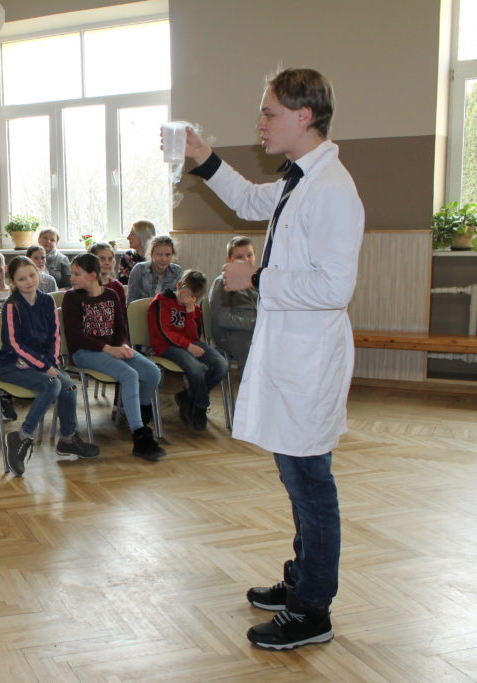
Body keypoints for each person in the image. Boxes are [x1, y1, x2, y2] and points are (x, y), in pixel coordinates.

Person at [184, 67, 364, 650]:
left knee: (311, 483)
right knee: (296, 477)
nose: (260, 123)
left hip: (311, 359)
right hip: (293, 354)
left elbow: (335, 287)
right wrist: (202, 156)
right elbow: (246, 197)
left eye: (269, 113)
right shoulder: (298, 179)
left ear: (303, 115)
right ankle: (302, 579)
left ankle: (313, 609)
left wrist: (258, 277)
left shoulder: (331, 188)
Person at [0, 256, 99, 475]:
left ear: (38, 274)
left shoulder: (47, 301)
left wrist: (51, 362)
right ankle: (22, 437)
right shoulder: (12, 306)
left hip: (43, 363)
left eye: (31, 275)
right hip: (13, 364)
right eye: (22, 279)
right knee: (52, 385)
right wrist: (45, 367)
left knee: (69, 387)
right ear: (13, 282)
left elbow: (55, 335)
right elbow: (15, 344)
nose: (29, 281)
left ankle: (67, 439)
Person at [62, 254, 164, 461]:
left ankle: (139, 414)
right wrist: (108, 348)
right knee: (129, 374)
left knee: (152, 372)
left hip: (112, 348)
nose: (71, 278)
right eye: (72, 273)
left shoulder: (111, 295)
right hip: (84, 353)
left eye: (76, 274)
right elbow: (76, 336)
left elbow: (120, 328)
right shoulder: (72, 298)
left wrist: (124, 345)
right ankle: (139, 435)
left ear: (93, 275)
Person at [148, 270, 229, 430]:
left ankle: (188, 395)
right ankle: (201, 407)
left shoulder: (193, 307)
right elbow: (164, 332)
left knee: (222, 364)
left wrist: (190, 311)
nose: (187, 298)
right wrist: (188, 346)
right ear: (179, 285)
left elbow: (194, 336)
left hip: (189, 344)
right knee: (197, 369)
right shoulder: (161, 301)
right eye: (185, 292)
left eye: (192, 296)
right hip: (166, 346)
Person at [208, 236, 259, 370]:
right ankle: (249, 384)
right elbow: (222, 318)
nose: (246, 260)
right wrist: (254, 324)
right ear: (229, 260)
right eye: (240, 256)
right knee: (252, 351)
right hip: (231, 334)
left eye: (249, 255)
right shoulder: (222, 282)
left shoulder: (258, 283)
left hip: (256, 331)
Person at [126, 235, 182, 304]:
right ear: (151, 254)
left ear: (172, 254)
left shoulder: (177, 271)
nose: (164, 259)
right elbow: (131, 302)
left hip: (167, 310)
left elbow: (178, 302)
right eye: (159, 255)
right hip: (143, 310)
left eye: (168, 255)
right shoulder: (139, 269)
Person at [118, 220, 155, 285]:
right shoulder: (127, 257)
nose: (128, 237)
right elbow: (123, 285)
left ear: (143, 236)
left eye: (132, 234)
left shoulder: (157, 258)